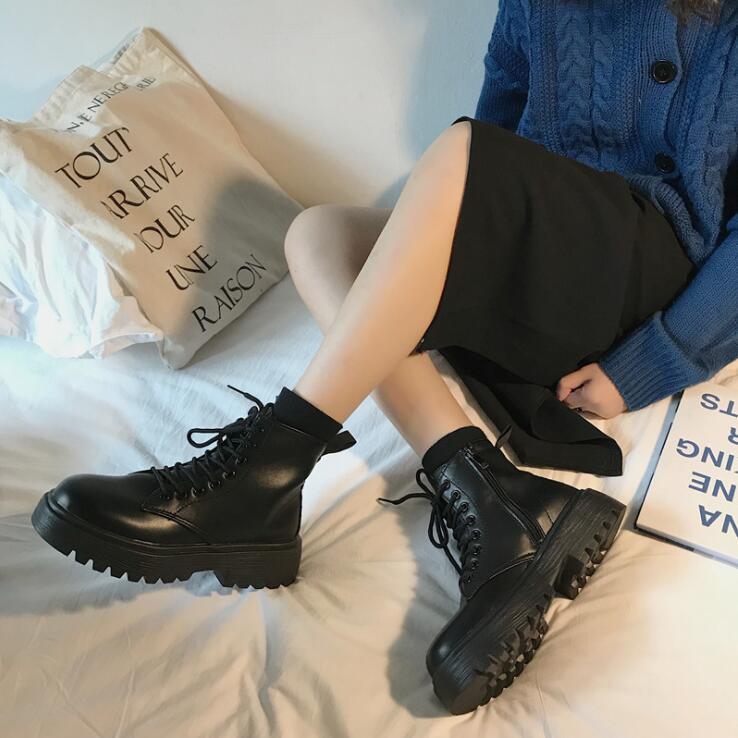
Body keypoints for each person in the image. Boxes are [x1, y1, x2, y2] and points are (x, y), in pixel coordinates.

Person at [31, 0, 738, 716]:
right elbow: (499, 143)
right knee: (319, 234)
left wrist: (653, 361)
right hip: (548, 261)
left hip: (644, 274)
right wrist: (443, 271)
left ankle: (266, 469)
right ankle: (495, 499)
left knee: (461, 151)